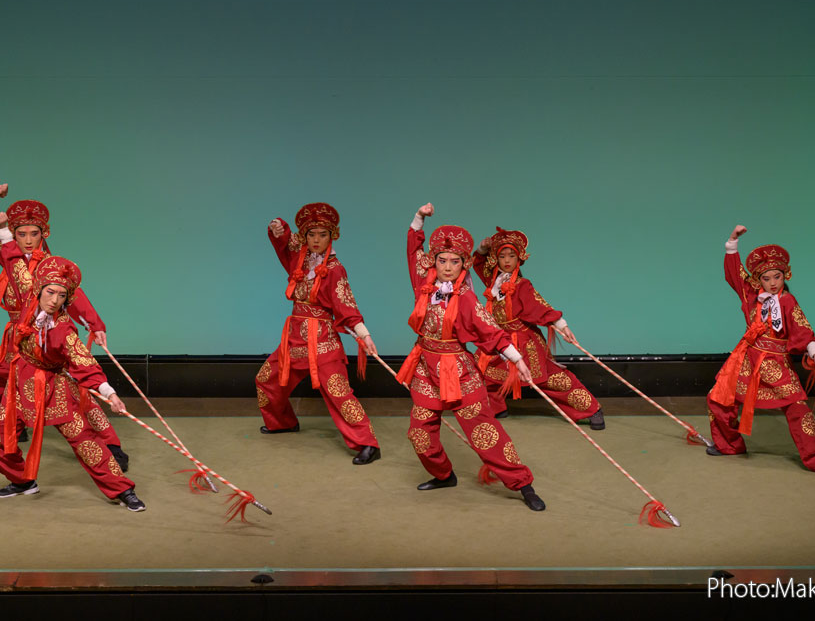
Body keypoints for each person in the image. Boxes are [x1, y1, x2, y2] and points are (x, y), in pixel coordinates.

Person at [0, 184, 129, 472]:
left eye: (34, 234)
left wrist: (94, 324)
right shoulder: (9, 254)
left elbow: (74, 295)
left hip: (50, 340)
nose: (28, 240)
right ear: (13, 235)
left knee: (75, 395)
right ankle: (11, 430)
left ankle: (111, 446)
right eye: (21, 234)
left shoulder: (51, 265)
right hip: (16, 342)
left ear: (44, 234)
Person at [0, 212, 145, 510]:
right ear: (39, 289)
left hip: (52, 388)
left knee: (85, 441)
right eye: (50, 292)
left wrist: (111, 395)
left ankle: (122, 490)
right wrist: (3, 228)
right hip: (19, 383)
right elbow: (13, 260)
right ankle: (22, 481)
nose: (54, 300)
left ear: (66, 299)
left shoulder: (64, 330)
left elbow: (84, 363)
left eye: (61, 296)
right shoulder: (27, 294)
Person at [396, 203, 546, 511]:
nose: (448, 267)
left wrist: (518, 361)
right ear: (433, 262)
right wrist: (419, 219)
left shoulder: (465, 298)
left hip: (458, 371)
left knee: (484, 432)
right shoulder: (422, 286)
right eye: (442, 260)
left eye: (454, 261)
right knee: (419, 434)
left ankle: (522, 483)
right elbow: (413, 249)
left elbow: (490, 332)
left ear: (463, 264)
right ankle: (443, 475)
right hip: (426, 368)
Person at [706, 224, 815, 477]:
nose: (772, 283)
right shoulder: (751, 295)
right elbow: (735, 273)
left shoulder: (788, 301)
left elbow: (802, 328)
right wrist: (732, 241)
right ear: (759, 280)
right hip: (747, 360)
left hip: (776, 364)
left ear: (784, 275)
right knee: (718, 398)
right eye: (766, 278)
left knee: (798, 408)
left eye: (777, 277)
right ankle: (729, 445)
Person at [256, 202, 381, 465]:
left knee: (338, 392)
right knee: (266, 379)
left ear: (331, 236)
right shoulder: (299, 259)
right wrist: (278, 227)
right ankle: (283, 423)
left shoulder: (335, 269)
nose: (316, 240)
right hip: (293, 338)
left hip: (322, 340)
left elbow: (346, 304)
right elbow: (283, 242)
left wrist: (364, 335)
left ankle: (367, 443)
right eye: (311, 234)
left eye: (322, 235)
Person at [472, 227, 605, 429]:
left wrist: (561, 325)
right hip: (500, 340)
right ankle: (495, 408)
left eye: (512, 256)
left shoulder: (522, 285)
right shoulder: (494, 281)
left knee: (552, 379)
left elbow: (539, 307)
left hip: (525, 342)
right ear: (496, 259)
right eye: (502, 256)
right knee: (484, 372)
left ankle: (591, 409)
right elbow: (479, 264)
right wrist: (482, 249)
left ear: (519, 259)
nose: (507, 260)